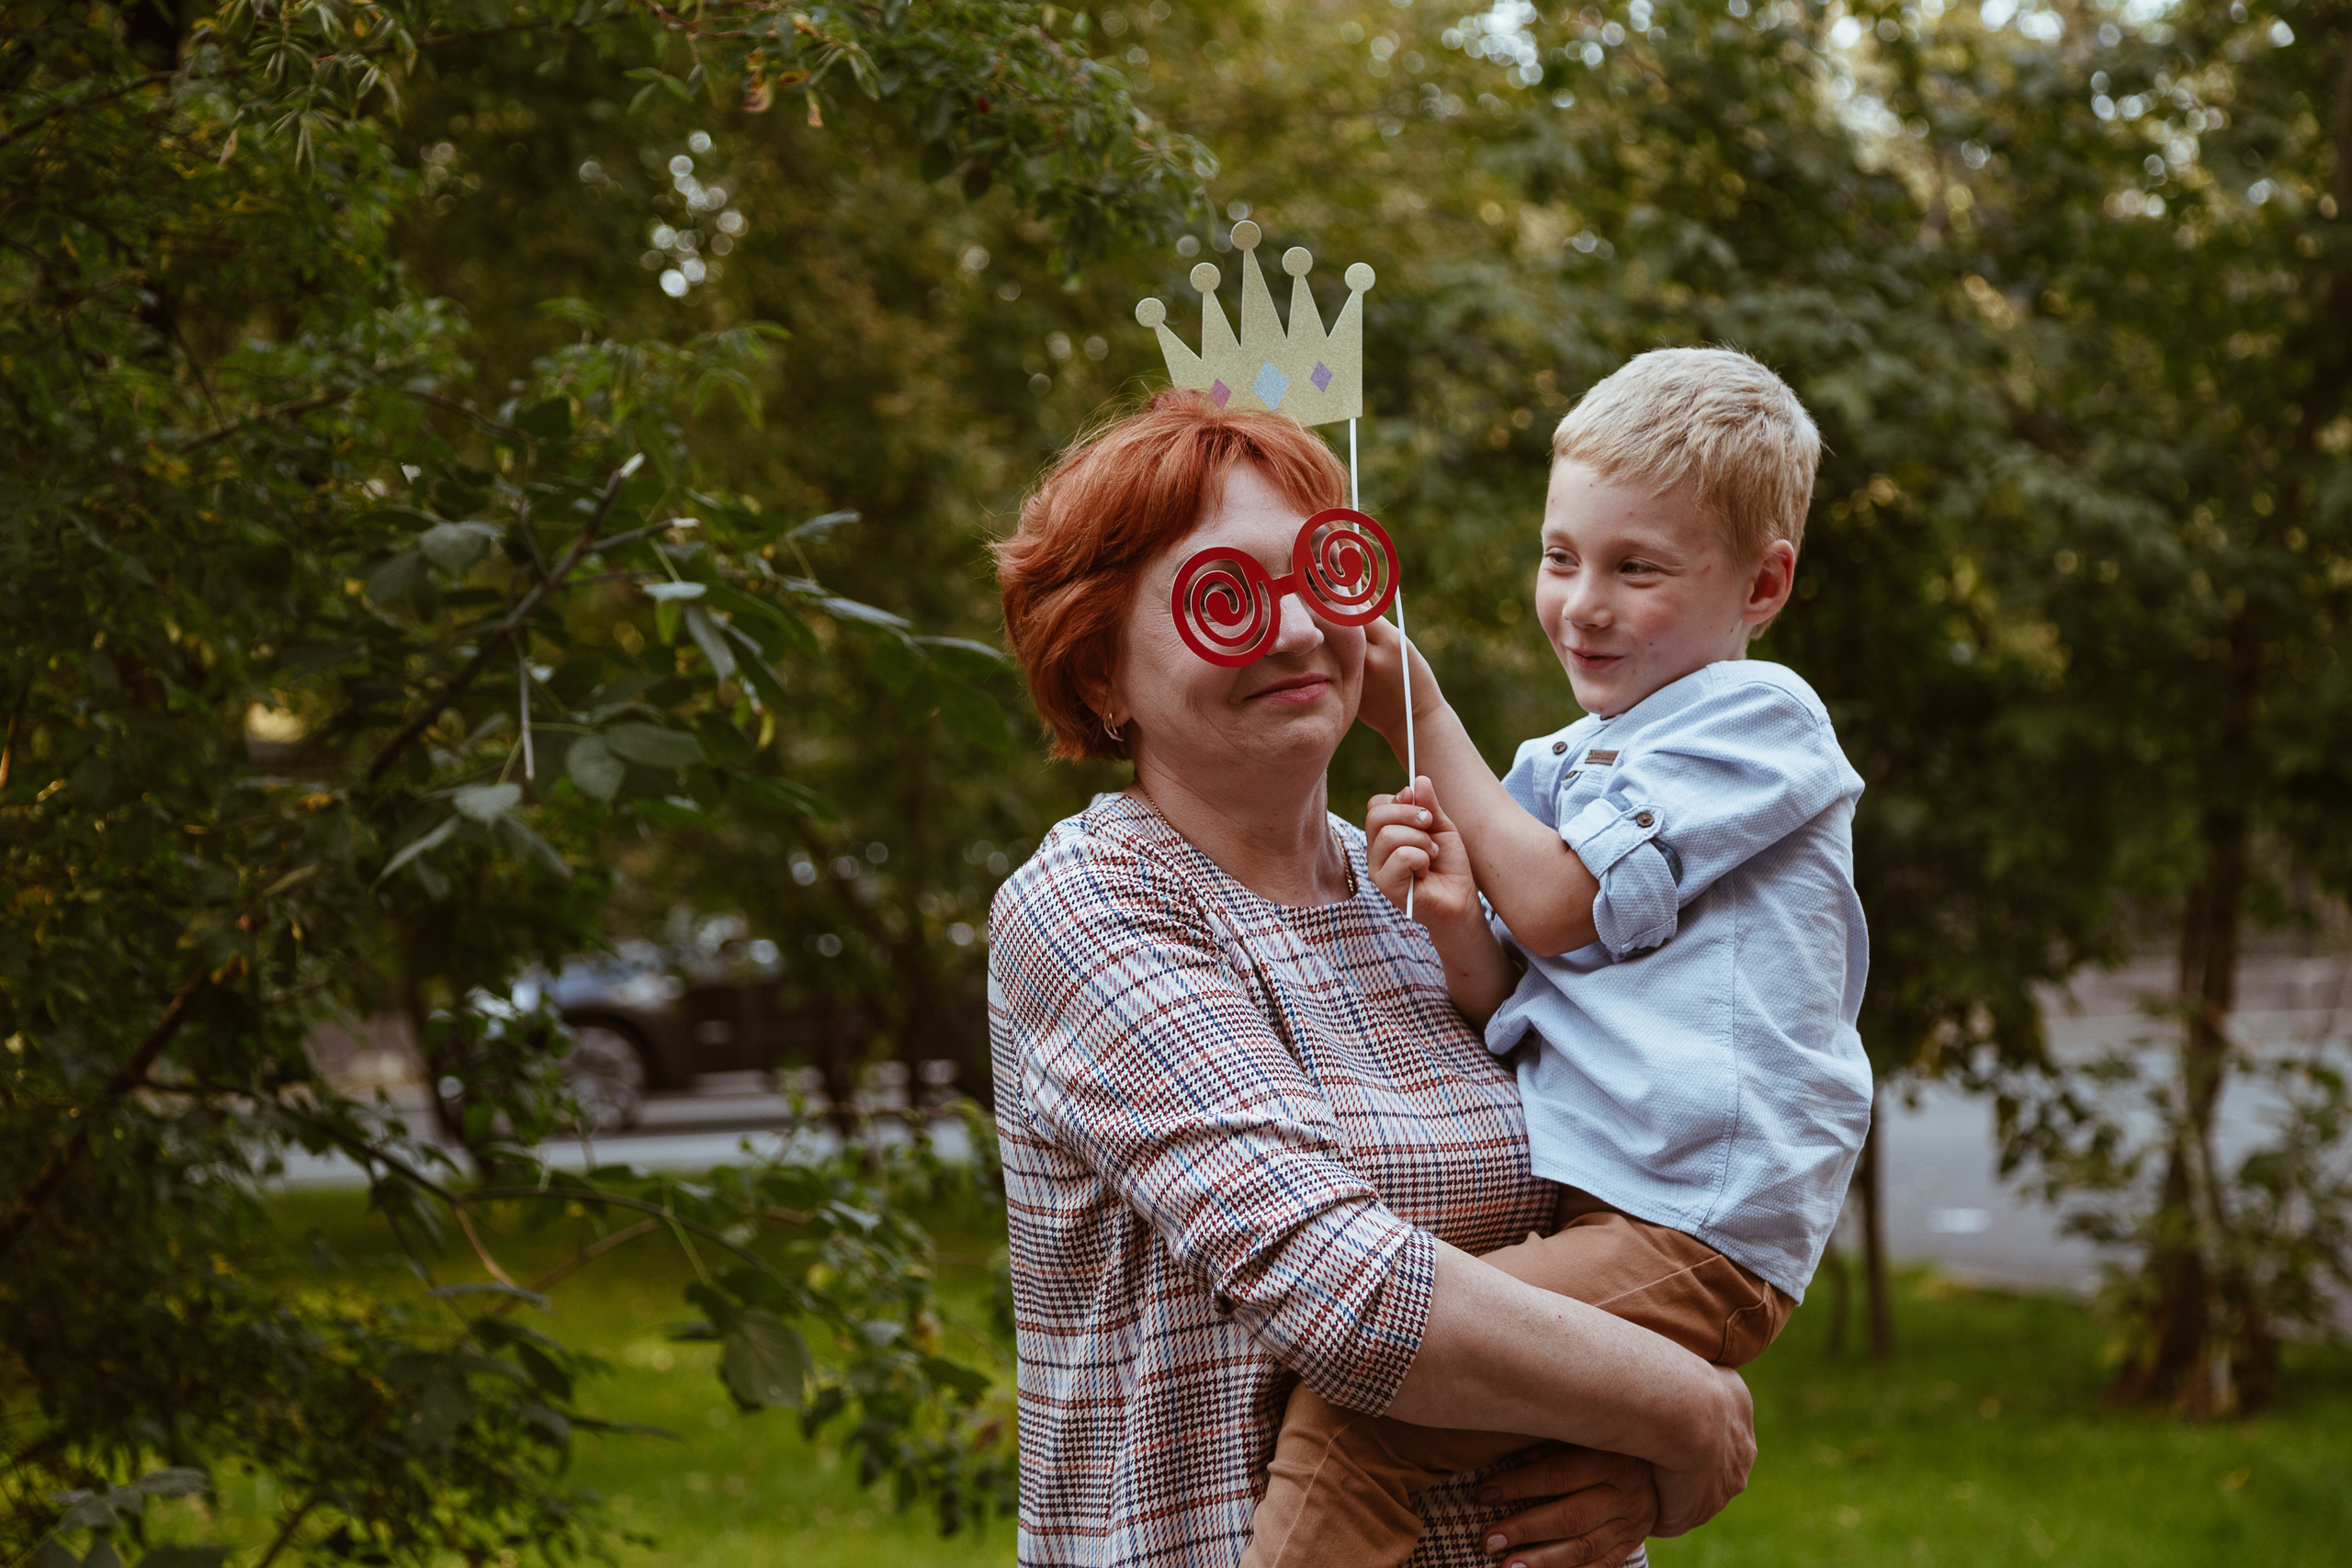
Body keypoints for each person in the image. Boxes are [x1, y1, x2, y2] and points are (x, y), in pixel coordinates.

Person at [988, 389, 1758, 1568]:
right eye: (1224, 598)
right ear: (1099, 677)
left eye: (1318, 577)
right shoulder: (1094, 903)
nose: (1297, 630)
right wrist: (1678, 1409)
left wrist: (1619, 1472)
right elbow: (1336, 1285)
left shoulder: (1424, 883)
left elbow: (1604, 1198)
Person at [1243, 348, 1874, 1568]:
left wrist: (1420, 710)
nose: (1582, 601)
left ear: (1763, 582)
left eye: (1637, 567)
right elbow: (1509, 983)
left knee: (1376, 1394)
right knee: (1449, 1414)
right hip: (1617, 1201)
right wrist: (1448, 914)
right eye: (1560, 554)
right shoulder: (1561, 766)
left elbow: (1563, 906)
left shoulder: (1758, 724)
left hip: (1697, 1222)